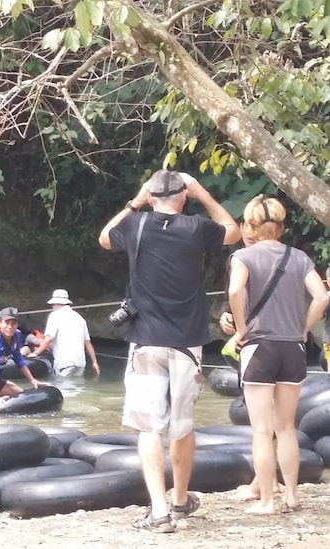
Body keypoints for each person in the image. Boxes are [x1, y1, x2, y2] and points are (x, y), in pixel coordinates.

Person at [99, 169, 240, 532]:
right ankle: (179, 501)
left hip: (145, 340)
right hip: (187, 342)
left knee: (149, 428)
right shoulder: (196, 227)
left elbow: (103, 239)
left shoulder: (137, 225)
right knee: (181, 427)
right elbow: (234, 231)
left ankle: (158, 511)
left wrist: (135, 201)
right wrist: (203, 194)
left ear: (151, 197)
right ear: (182, 197)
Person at [228, 196, 327, 514]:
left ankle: (268, 501)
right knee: (286, 427)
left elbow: (233, 292)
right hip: (292, 348)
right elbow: (322, 296)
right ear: (282, 227)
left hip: (259, 347)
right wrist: (303, 326)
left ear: (252, 226)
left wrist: (242, 329)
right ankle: (293, 496)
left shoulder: (243, 256)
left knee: (261, 430)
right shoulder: (298, 257)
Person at [27, 289, 100, 377]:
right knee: (76, 389)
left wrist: (36, 353)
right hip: (80, 364)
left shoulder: (55, 315)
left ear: (56, 303)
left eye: (52, 304)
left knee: (63, 389)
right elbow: (88, 343)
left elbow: (49, 338)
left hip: (65, 363)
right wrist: (95, 362)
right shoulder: (80, 318)